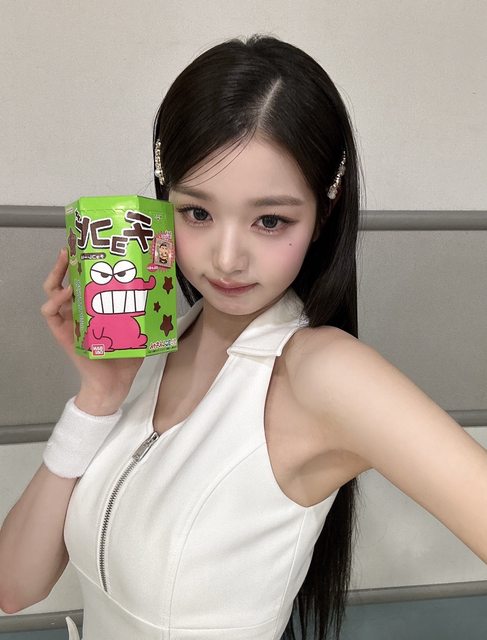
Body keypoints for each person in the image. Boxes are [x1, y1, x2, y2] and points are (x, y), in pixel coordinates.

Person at [0, 34, 486, 640]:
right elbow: (14, 586)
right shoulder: (160, 346)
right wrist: (97, 400)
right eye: (198, 213)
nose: (227, 259)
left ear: (323, 214)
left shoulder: (323, 373)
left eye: (270, 220)